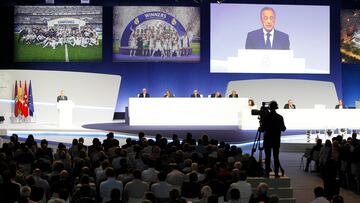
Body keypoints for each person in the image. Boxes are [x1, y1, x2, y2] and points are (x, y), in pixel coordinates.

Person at [262, 100, 286, 178]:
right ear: (276, 107)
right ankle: (276, 173)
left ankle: (267, 174)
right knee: (276, 157)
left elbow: (262, 129)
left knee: (267, 157)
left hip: (267, 139)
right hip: (276, 140)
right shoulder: (280, 117)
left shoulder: (266, 117)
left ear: (269, 108)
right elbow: (283, 128)